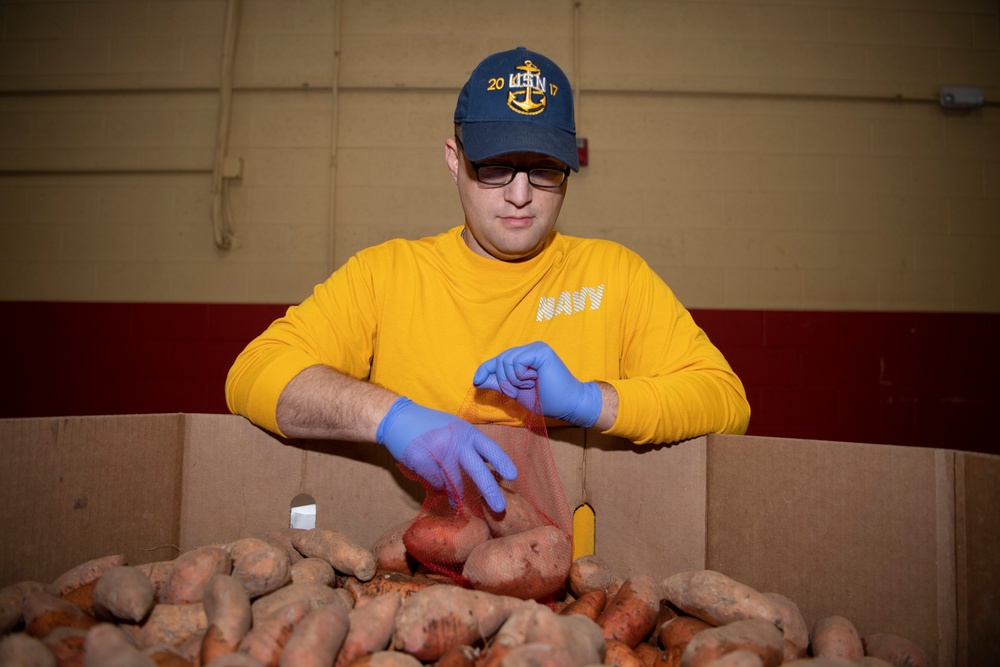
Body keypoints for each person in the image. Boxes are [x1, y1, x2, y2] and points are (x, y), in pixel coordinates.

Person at [225, 47, 750, 514]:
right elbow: (254, 373)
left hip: (571, 575)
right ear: (454, 161)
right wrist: (392, 417)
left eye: (545, 169)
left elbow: (726, 403)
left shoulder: (615, 278)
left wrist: (592, 401)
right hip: (416, 565)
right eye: (495, 167)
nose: (520, 194)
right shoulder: (386, 276)